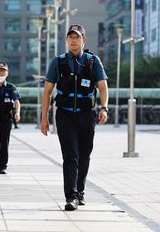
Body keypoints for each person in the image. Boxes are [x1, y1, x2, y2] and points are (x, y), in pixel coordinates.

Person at [41, 24, 109, 211]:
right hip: (64, 115)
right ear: (66, 40)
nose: (73, 40)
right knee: (70, 156)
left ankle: (80, 191)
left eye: (77, 37)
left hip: (87, 115)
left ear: (83, 40)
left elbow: (103, 87)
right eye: (70, 37)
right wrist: (44, 118)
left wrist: (104, 108)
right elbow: (47, 92)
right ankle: (70, 196)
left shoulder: (93, 61)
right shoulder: (58, 62)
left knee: (84, 155)